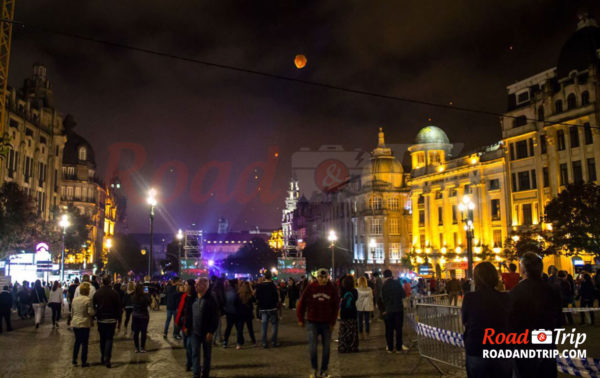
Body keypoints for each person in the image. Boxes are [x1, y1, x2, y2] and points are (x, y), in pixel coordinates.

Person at [508, 252, 562, 378]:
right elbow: (558, 319)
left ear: (523, 269)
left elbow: (510, 320)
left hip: (524, 343)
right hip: (546, 340)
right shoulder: (552, 290)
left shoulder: (516, 292)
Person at [462, 262, 511, 378]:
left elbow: (465, 320)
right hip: (501, 348)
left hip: (477, 347)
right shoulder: (506, 298)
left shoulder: (469, 298)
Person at [297, 268, 339, 378]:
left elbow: (336, 306)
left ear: (328, 277)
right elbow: (302, 303)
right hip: (312, 322)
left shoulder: (332, 289)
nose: (323, 280)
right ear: (317, 277)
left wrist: (333, 322)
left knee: (327, 348)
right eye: (321, 277)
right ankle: (314, 369)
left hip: (326, 323)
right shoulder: (311, 287)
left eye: (325, 277)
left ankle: (324, 370)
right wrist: (300, 318)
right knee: (313, 347)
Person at [191, 277, 219, 378]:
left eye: (198, 284)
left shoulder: (211, 298)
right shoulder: (193, 297)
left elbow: (215, 317)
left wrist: (211, 331)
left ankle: (205, 374)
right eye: (195, 284)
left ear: (204, 285)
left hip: (206, 332)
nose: (195, 286)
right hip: (195, 331)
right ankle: (196, 374)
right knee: (195, 353)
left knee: (207, 355)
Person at [93, 277, 122, 368]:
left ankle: (102, 356)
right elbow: (118, 307)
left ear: (102, 282)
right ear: (110, 282)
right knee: (109, 339)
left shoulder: (97, 293)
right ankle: (107, 358)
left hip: (101, 319)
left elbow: (94, 305)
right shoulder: (114, 293)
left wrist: (96, 313)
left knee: (102, 339)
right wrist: (119, 320)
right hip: (112, 319)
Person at [381, 270, 407, 353]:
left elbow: (381, 299)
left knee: (389, 330)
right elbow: (403, 294)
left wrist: (383, 310)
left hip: (388, 310)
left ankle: (390, 348)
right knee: (398, 329)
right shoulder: (397, 283)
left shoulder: (384, 286)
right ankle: (399, 347)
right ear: (391, 275)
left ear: (384, 276)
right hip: (398, 309)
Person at [71, 282, 95, 367]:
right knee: (84, 343)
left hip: (75, 323)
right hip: (84, 323)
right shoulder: (88, 300)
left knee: (77, 341)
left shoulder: (74, 300)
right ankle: (83, 361)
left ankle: (74, 359)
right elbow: (90, 312)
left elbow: (72, 312)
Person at [255, 270, 280, 348]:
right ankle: (274, 342)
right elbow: (276, 297)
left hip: (263, 308)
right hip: (272, 308)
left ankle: (264, 343)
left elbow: (257, 296)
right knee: (274, 325)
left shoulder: (260, 286)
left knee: (264, 326)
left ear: (264, 277)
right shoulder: (273, 285)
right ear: (271, 276)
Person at [177, 279, 197, 371]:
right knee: (187, 345)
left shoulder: (195, 298)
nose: (183, 286)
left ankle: (190, 364)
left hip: (191, 326)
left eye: (185, 285)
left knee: (190, 346)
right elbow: (180, 310)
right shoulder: (184, 296)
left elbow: (191, 314)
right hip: (184, 325)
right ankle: (190, 363)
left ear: (190, 286)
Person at [338, 275, 359, 353]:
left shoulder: (342, 291)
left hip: (344, 313)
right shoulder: (354, 291)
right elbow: (356, 299)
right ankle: (353, 346)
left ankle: (343, 346)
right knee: (352, 330)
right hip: (352, 312)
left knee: (343, 330)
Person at [131, 282, 151, 352]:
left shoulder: (133, 296)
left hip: (135, 316)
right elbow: (149, 302)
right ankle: (142, 347)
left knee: (136, 333)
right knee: (143, 332)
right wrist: (147, 294)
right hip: (144, 316)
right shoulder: (145, 297)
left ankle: (136, 348)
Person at [237, 280, 257, 347]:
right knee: (250, 328)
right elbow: (255, 301)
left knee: (240, 329)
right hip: (248, 313)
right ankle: (253, 341)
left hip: (240, 313)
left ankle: (239, 343)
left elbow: (235, 303)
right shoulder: (250, 295)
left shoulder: (238, 294)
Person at [222, 279, 241, 348]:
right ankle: (238, 343)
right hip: (236, 312)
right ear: (235, 284)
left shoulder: (226, 292)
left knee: (228, 328)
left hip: (228, 312)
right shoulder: (236, 292)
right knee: (238, 328)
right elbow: (238, 303)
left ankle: (225, 341)